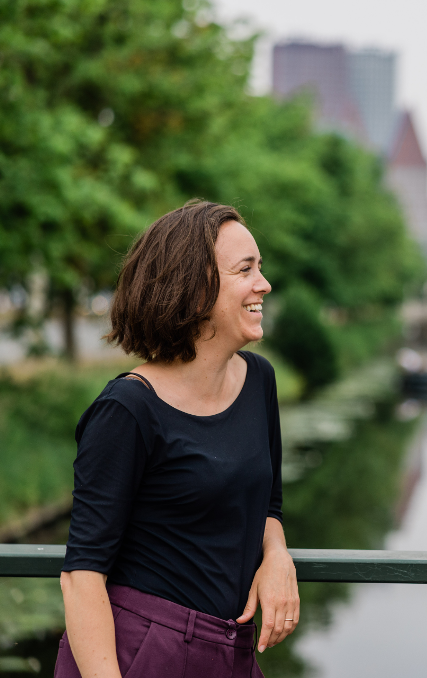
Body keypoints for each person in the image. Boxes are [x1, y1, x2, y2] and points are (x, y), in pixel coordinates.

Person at [56, 201, 299, 678]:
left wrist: (277, 556)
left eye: (261, 268)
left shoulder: (259, 381)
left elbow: (268, 503)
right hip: (141, 653)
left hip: (232, 651)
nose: (264, 284)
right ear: (195, 288)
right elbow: (81, 576)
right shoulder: (127, 410)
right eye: (245, 269)